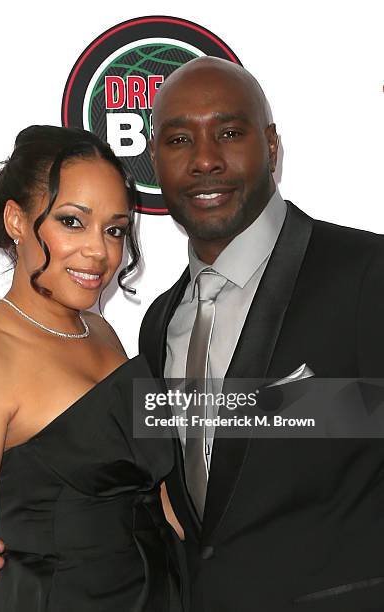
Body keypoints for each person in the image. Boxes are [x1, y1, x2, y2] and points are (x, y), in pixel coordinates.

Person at [138, 57, 384, 611]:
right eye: (179, 139)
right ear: (154, 161)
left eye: (228, 133)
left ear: (272, 146)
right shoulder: (158, 324)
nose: (204, 160)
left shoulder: (367, 275)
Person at [0, 125, 183, 611]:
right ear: (17, 221)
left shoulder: (100, 332)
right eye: (72, 221)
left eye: (114, 229)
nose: (100, 252)